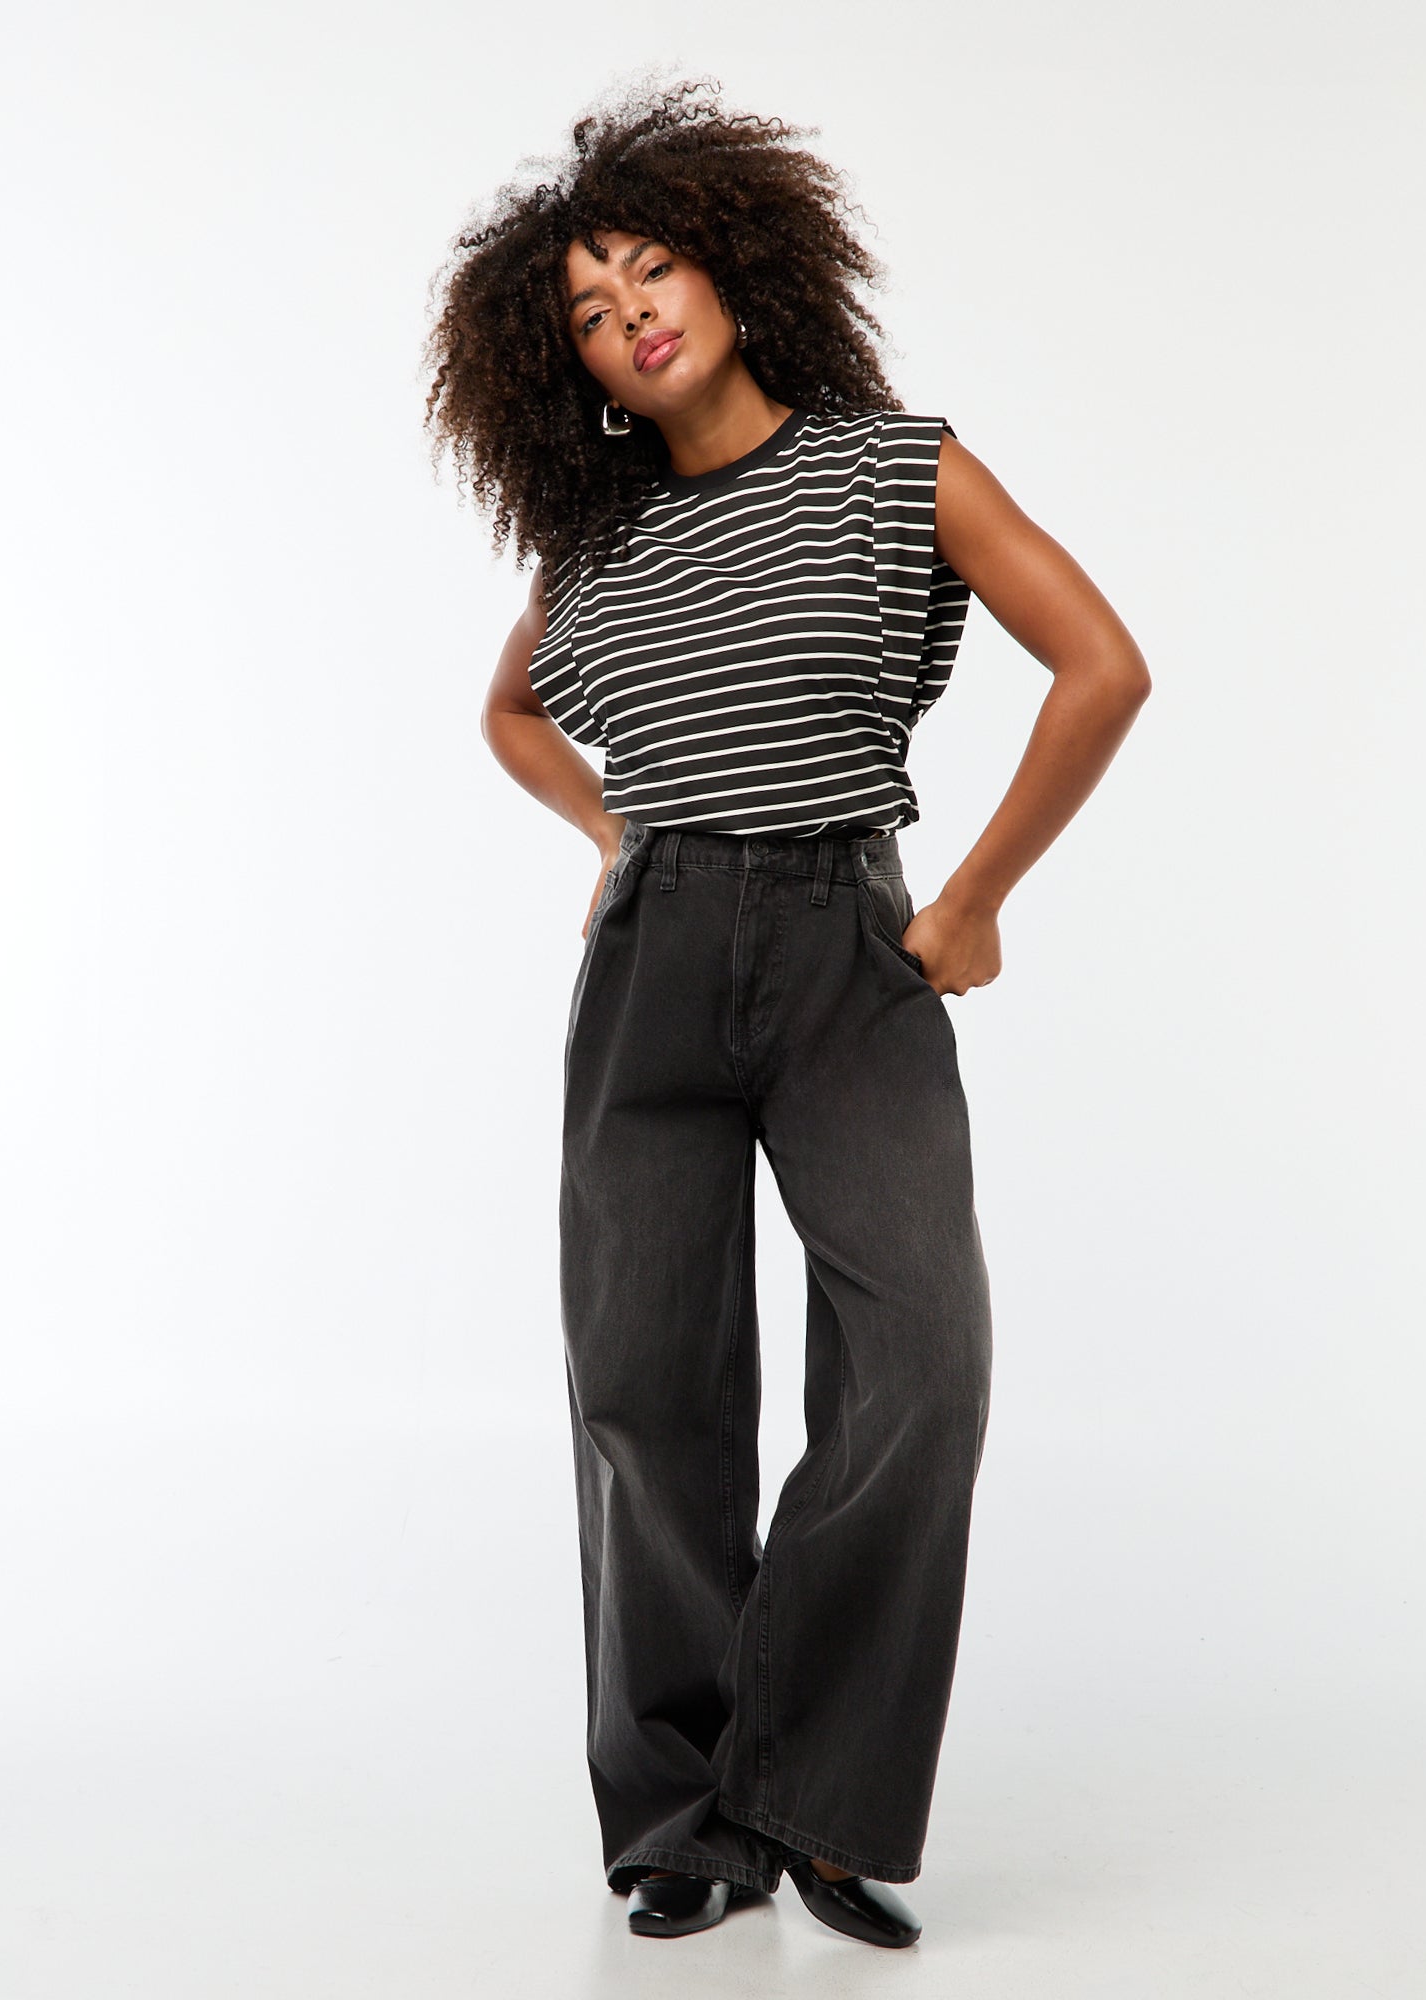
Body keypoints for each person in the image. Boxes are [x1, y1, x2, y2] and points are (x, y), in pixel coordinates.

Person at [424, 76, 1151, 1949]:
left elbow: (1101, 664)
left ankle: (816, 1798)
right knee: (646, 1393)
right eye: (589, 310)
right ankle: (682, 1816)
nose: (630, 317)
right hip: (652, 963)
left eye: (650, 269)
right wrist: (613, 830)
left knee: (923, 1367)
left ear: (738, 266)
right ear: (571, 368)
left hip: (849, 951)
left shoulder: (896, 468)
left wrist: (975, 899)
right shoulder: (593, 550)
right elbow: (509, 713)